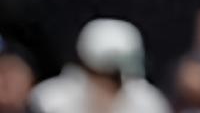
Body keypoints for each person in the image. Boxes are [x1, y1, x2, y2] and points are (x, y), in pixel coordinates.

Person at [27, 19, 170, 113]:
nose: (112, 87)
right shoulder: (50, 101)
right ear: (87, 68)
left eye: (117, 79)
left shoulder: (149, 103)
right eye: (108, 76)